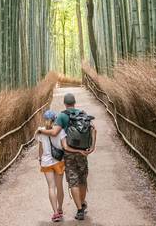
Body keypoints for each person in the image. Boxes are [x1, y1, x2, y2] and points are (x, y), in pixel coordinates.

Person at [38, 93, 97, 221]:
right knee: (82, 179)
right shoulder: (83, 113)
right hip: (82, 152)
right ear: (74, 102)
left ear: (65, 103)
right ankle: (82, 202)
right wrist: (92, 147)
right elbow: (93, 129)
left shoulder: (62, 116)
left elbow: (54, 132)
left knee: (73, 181)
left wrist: (41, 131)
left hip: (69, 155)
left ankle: (79, 210)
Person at [37, 110, 67, 222]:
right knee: (59, 187)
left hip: (46, 162)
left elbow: (40, 148)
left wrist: (40, 159)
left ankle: (55, 212)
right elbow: (65, 146)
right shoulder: (60, 131)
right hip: (59, 161)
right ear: (55, 119)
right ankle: (60, 208)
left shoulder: (40, 131)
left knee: (51, 187)